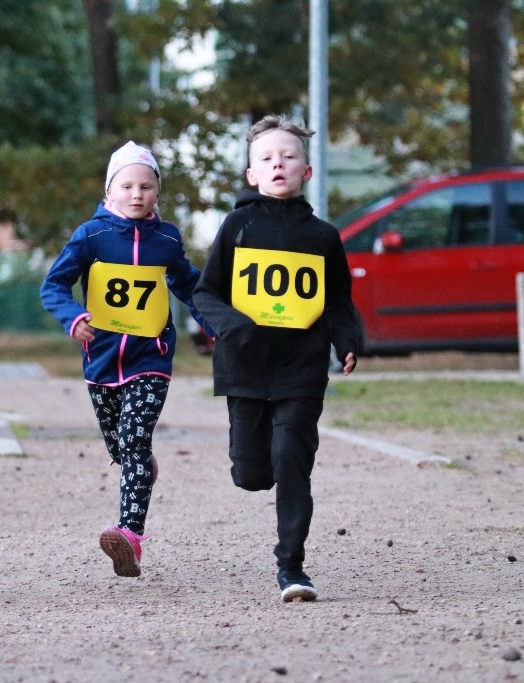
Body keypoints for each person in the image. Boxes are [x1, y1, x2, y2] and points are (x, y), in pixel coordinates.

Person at [192, 115, 361, 602]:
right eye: (266, 158)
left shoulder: (324, 237)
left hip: (301, 369)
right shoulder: (237, 226)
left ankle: (292, 568)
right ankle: (256, 469)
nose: (278, 164)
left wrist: (346, 341)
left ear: (307, 171)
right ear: (251, 175)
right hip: (244, 367)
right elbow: (205, 295)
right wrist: (232, 325)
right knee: (251, 473)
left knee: (291, 459)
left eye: (288, 156)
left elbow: (338, 302)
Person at [40, 141, 212, 578]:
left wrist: (215, 325)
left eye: (147, 186)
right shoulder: (91, 236)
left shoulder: (167, 239)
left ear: (157, 194)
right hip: (99, 363)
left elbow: (188, 285)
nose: (137, 194)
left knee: (135, 439)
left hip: (150, 359)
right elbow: (53, 287)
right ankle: (140, 466)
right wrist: (73, 316)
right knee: (121, 445)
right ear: (109, 193)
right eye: (128, 185)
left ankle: (129, 536)